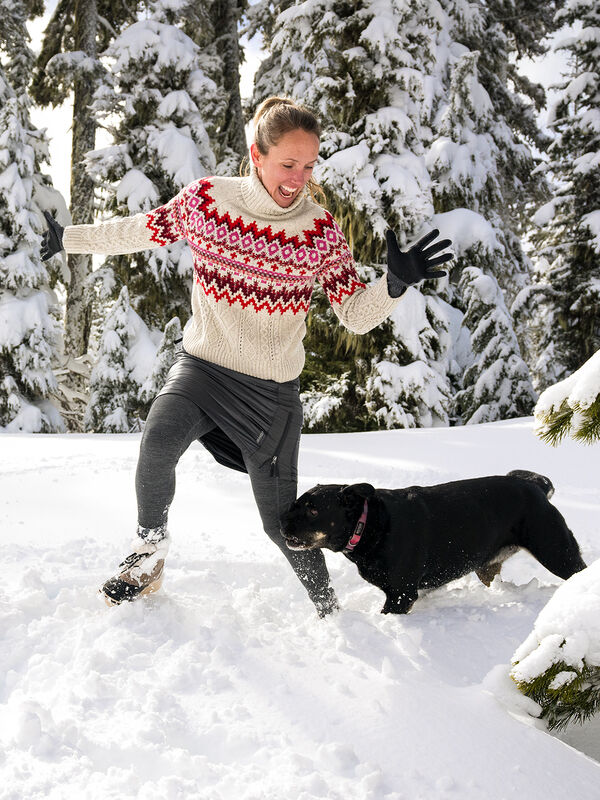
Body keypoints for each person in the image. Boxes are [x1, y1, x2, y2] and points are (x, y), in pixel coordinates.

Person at [41, 96, 453, 617]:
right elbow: (141, 230)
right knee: (157, 444)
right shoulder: (207, 202)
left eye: (308, 165)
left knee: (283, 524)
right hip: (203, 368)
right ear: (257, 156)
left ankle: (327, 607)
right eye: (288, 163)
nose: (299, 177)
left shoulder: (319, 230)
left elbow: (353, 312)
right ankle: (147, 554)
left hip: (270, 395)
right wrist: (68, 239)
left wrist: (394, 285)